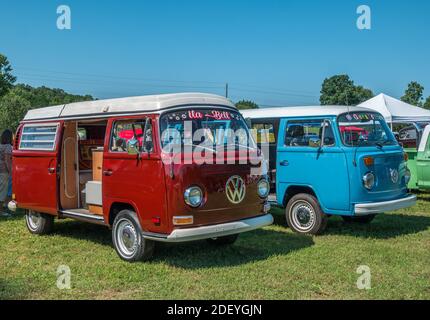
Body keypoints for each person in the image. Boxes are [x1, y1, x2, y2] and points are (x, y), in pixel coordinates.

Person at [0, 129, 13, 217]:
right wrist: (11, 172)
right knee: (2, 192)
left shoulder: (0, 146)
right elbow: (7, 161)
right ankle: (1, 212)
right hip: (4, 171)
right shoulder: (8, 147)